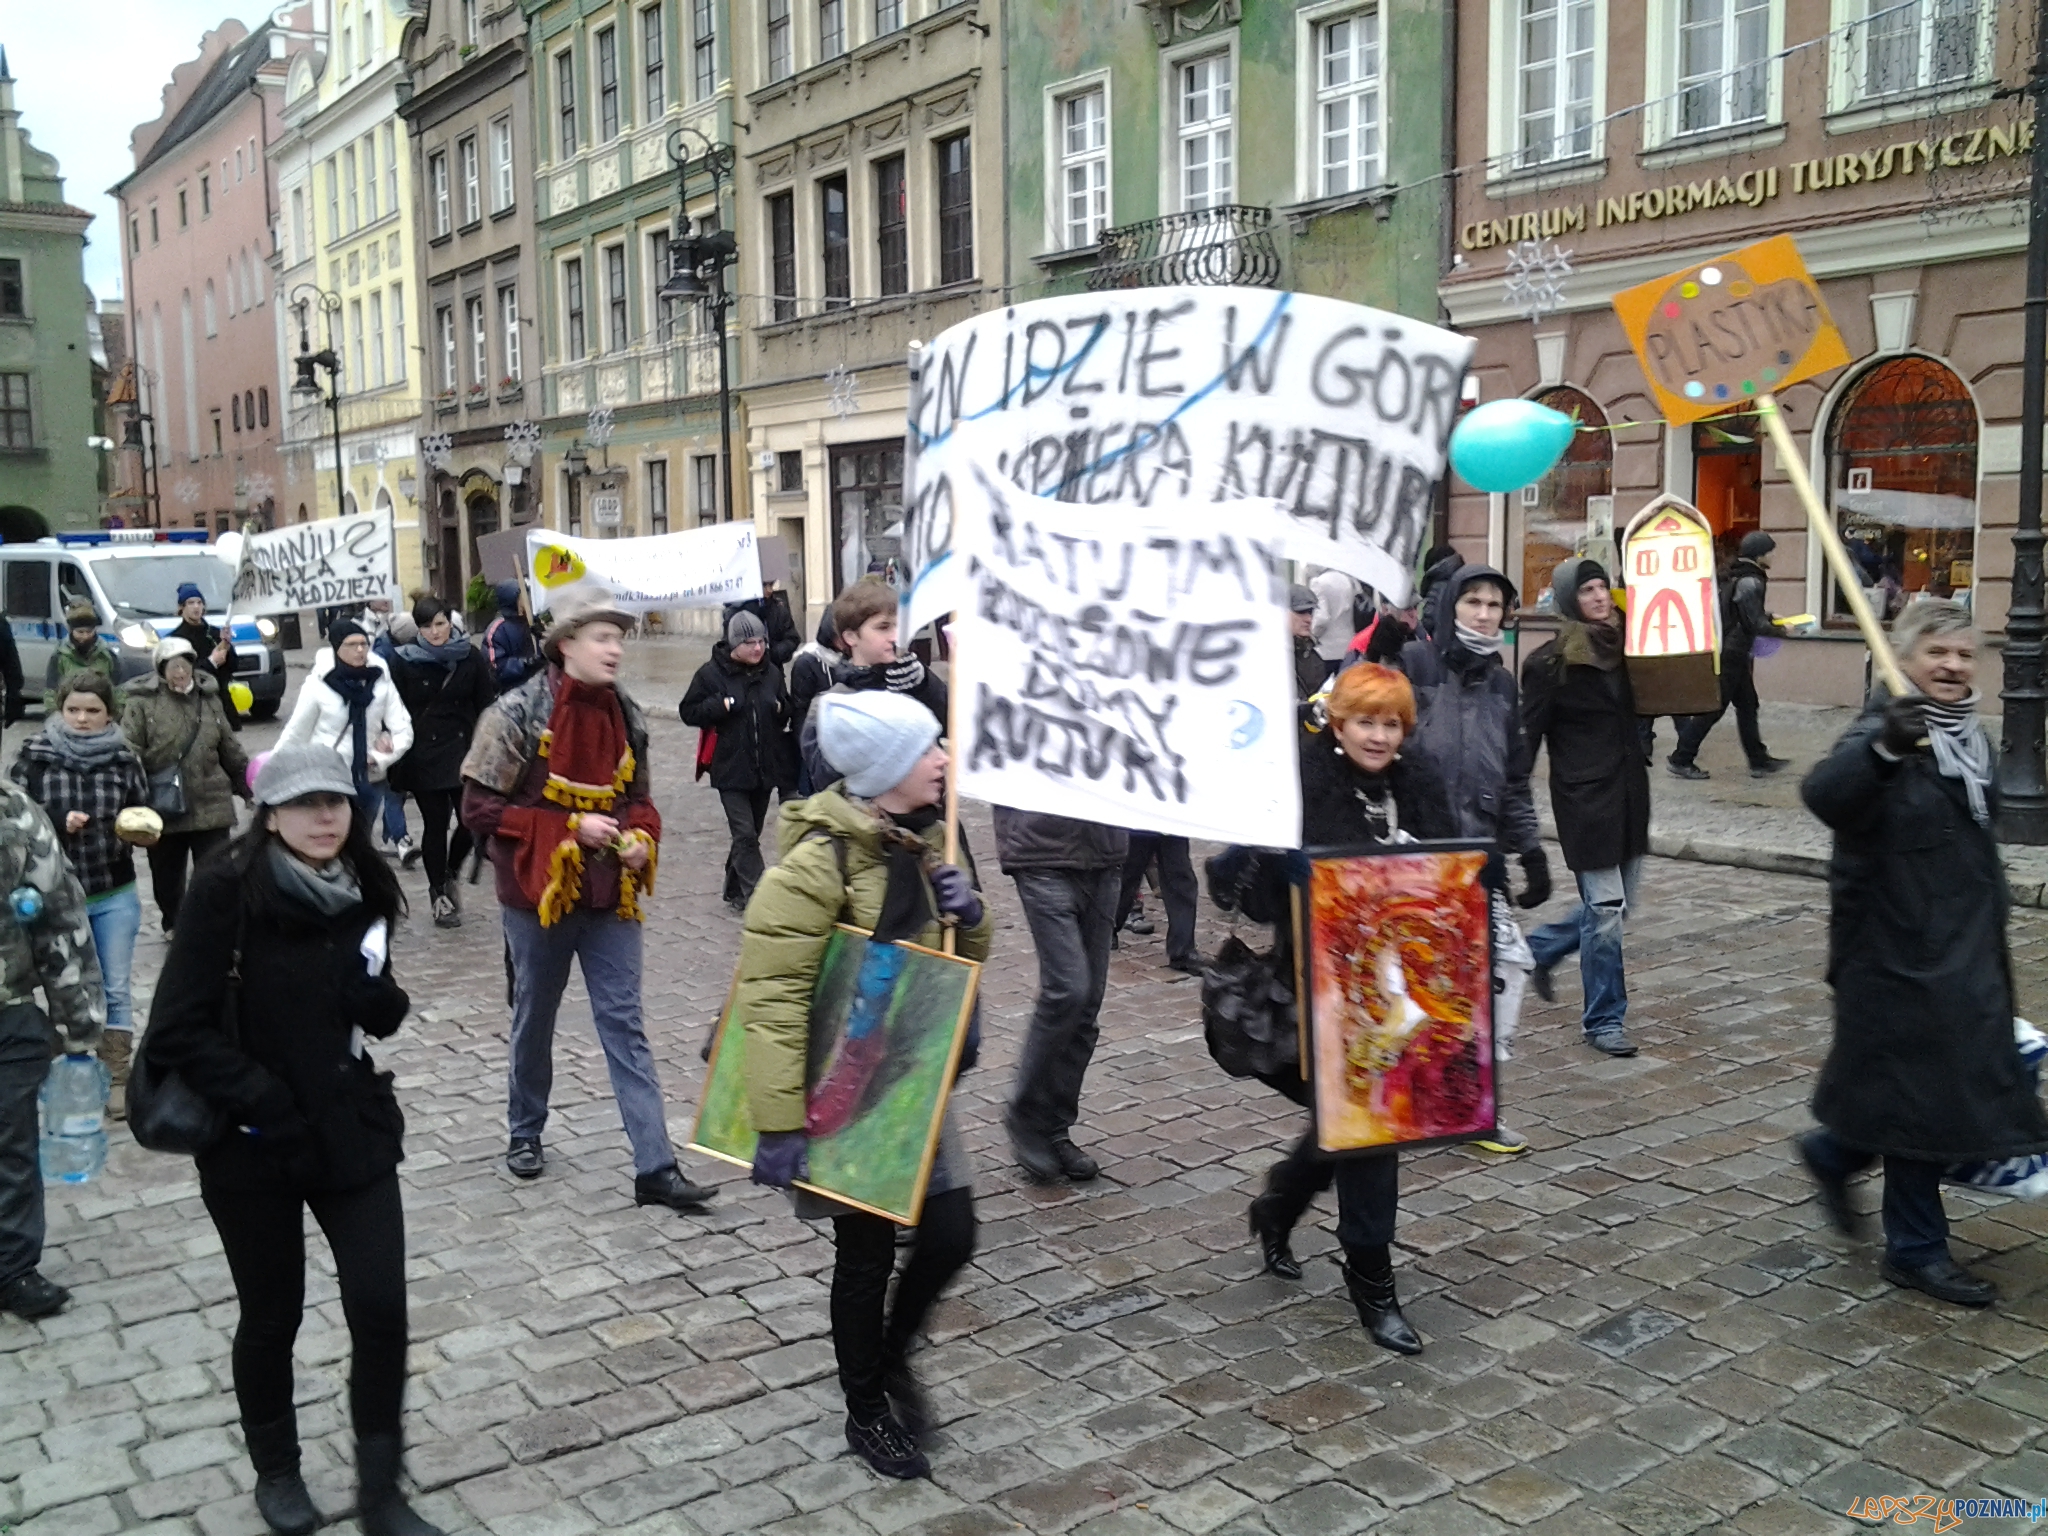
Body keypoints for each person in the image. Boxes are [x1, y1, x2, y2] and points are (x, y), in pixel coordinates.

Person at [142, 747, 442, 1536]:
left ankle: (381, 1493)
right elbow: (175, 1030)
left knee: (381, 1309)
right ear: (269, 813)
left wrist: (380, 1001)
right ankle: (277, 1471)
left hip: (349, 1128)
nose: (325, 818)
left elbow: (371, 1000)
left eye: (336, 802)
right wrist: (262, 1097)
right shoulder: (223, 893)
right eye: (305, 803)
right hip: (253, 1144)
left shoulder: (367, 883)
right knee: (273, 1314)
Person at [735, 690, 990, 1480]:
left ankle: (892, 1354)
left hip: (912, 1076)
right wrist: (779, 1123)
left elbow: (963, 960)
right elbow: (772, 998)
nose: (946, 756)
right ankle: (866, 1406)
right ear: (886, 772)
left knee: (951, 1235)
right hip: (839, 1096)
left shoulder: (933, 838)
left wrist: (969, 912)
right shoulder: (817, 865)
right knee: (866, 1254)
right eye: (929, 749)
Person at [1797, 602, 2048, 1308]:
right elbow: (1824, 794)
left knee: (1937, 1088)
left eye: (1965, 655)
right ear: (1903, 658)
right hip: (1895, 953)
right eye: (1937, 652)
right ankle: (1915, 1251)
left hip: (1963, 947)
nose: (1953, 666)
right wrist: (1883, 751)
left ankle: (1835, 1151)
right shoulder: (1883, 730)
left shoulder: (1971, 740)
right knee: (1922, 1098)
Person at [1216, 664, 1453, 1354]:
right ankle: (1374, 1285)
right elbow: (1236, 894)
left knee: (1358, 1126)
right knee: (1368, 1131)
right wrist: (1266, 856)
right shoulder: (1298, 789)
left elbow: (1446, 877)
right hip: (1318, 995)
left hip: (1401, 996)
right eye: (1365, 721)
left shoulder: (1421, 785)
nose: (1378, 736)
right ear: (1339, 724)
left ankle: (1279, 1206)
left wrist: (1480, 870)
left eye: (1391, 723)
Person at [460, 591, 715, 1210]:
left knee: (625, 1025)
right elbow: (478, 810)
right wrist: (569, 829)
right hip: (536, 897)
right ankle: (525, 1132)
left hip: (610, 899)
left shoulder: (627, 714)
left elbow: (641, 801)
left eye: (619, 638)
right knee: (534, 1020)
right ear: (566, 645)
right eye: (603, 637)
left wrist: (641, 839)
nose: (616, 649)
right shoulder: (516, 713)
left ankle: (655, 1166)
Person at [1395, 562, 1550, 1153]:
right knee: (1420, 987)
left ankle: (1471, 1107)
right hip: (1416, 855)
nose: (1485, 615)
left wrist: (1529, 847)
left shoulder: (1502, 683)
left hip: (1480, 856)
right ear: (1451, 607)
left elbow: (1514, 777)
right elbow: (1377, 740)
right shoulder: (1416, 666)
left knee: (1501, 973)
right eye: (1474, 603)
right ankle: (1415, 1099)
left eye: (1495, 605)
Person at [1521, 560, 1650, 1057]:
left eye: (1603, 587)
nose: (1599, 597)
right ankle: (1605, 1019)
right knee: (1605, 911)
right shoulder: (1549, 663)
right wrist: (1515, 816)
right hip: (1585, 801)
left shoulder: (1630, 651)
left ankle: (1539, 950)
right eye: (1588, 589)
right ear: (1569, 599)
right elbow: (1526, 740)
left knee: (1620, 907)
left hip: (1631, 795)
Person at [11, 672, 150, 1112]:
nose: (82, 719)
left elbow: (143, 808)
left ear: (110, 713)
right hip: (51, 896)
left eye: (93, 711)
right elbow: (14, 823)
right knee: (62, 983)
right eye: (74, 710)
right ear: (60, 710)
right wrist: (55, 819)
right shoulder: (34, 757)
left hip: (112, 889)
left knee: (114, 985)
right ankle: (67, 1071)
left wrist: (136, 829)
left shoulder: (126, 759)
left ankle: (115, 1074)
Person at [0, 772, 104, 1322]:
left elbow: (57, 918)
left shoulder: (13, 813)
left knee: (10, 1145)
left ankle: (12, 1268)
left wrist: (79, 1023)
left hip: (7, 1011)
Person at [998, 805, 1127, 1183]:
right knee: (1068, 990)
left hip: (1105, 851)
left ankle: (1055, 1128)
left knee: (1087, 1007)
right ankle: (1026, 1114)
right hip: (1041, 851)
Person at [121, 637, 251, 932]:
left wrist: (248, 786)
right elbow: (129, 753)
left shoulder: (209, 699)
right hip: (164, 804)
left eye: (185, 666)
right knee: (167, 876)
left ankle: (212, 926)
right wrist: (135, 799)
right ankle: (174, 923)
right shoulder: (141, 703)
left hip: (211, 802)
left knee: (216, 871)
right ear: (161, 669)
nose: (180, 673)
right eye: (173, 667)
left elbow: (229, 748)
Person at [387, 600, 496, 928]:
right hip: (424, 754)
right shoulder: (403, 661)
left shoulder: (469, 656)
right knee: (435, 824)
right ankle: (439, 896)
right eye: (426, 626)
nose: (434, 632)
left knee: (471, 821)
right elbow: (393, 708)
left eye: (439, 624)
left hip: (464, 751)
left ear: (450, 622)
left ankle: (450, 871)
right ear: (417, 629)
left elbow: (486, 705)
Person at [681, 610, 797, 911]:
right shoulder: (710, 674)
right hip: (730, 768)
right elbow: (688, 711)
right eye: (749, 643)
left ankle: (733, 888)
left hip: (764, 766)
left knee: (751, 833)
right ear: (733, 645)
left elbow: (785, 706)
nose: (757, 648)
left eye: (760, 641)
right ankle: (761, 898)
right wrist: (719, 705)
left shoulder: (771, 671)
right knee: (744, 834)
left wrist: (782, 707)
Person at [1668, 530, 1794, 780]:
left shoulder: (1737, 575)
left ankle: (1758, 759)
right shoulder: (1751, 581)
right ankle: (1682, 757)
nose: (1773, 556)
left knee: (1748, 705)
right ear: (1759, 555)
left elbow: (1739, 614)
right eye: (1770, 551)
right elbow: (1753, 623)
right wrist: (1781, 629)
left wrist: (1769, 618)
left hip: (1732, 649)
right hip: (1733, 654)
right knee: (1714, 708)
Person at [801, 578, 948, 792]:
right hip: (869, 820)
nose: (895, 637)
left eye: (900, 626)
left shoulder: (915, 683)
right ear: (851, 637)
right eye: (883, 627)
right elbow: (827, 783)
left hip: (932, 819)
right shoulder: (833, 705)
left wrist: (925, 685)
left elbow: (956, 727)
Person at [281, 621, 414, 810]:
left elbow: (403, 729)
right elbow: (296, 733)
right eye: (351, 645)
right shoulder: (318, 684)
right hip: (328, 778)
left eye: (364, 644)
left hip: (369, 779)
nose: (360, 650)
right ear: (336, 648)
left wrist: (377, 757)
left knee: (362, 835)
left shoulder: (381, 680)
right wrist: (274, 772)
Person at [372, 615, 421, 861]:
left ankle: (391, 836)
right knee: (393, 789)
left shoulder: (388, 651)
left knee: (394, 788)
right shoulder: (388, 658)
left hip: (396, 728)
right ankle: (401, 840)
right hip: (388, 732)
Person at [169, 582, 242, 732]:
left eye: (199, 602)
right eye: (190, 603)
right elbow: (182, 674)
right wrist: (211, 663)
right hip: (195, 706)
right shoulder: (176, 639)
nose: (196, 607)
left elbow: (233, 667)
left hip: (222, 703)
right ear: (181, 608)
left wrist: (227, 645)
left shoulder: (215, 634)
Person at [789, 610, 840, 795]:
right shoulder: (807, 663)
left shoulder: (850, 660)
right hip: (816, 743)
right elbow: (800, 710)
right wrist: (808, 749)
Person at [44, 601, 122, 720]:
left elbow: (119, 689)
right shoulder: (60, 656)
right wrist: (55, 717)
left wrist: (115, 716)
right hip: (68, 718)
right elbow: (51, 691)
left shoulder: (107, 655)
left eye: (89, 632)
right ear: (71, 631)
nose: (85, 636)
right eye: (80, 632)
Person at [721, 584, 800, 670]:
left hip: (772, 669)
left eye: (771, 585)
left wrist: (775, 654)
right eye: (764, 585)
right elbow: (728, 644)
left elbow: (792, 638)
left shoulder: (778, 607)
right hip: (742, 671)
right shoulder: (736, 610)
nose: (769, 590)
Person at [482, 580, 541, 691]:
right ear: (512, 599)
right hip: (512, 691)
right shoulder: (498, 629)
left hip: (538, 688)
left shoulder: (533, 622)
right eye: (523, 596)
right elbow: (496, 667)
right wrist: (526, 664)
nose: (528, 599)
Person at [1308, 567, 1359, 683]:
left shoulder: (1318, 582)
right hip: (1347, 646)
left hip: (1326, 649)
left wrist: (1312, 635)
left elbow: (1322, 618)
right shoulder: (1348, 581)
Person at [1288, 585, 1324, 701]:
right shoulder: (1262, 654)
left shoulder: (1311, 655)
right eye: (1301, 612)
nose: (1309, 619)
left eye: (1310, 612)